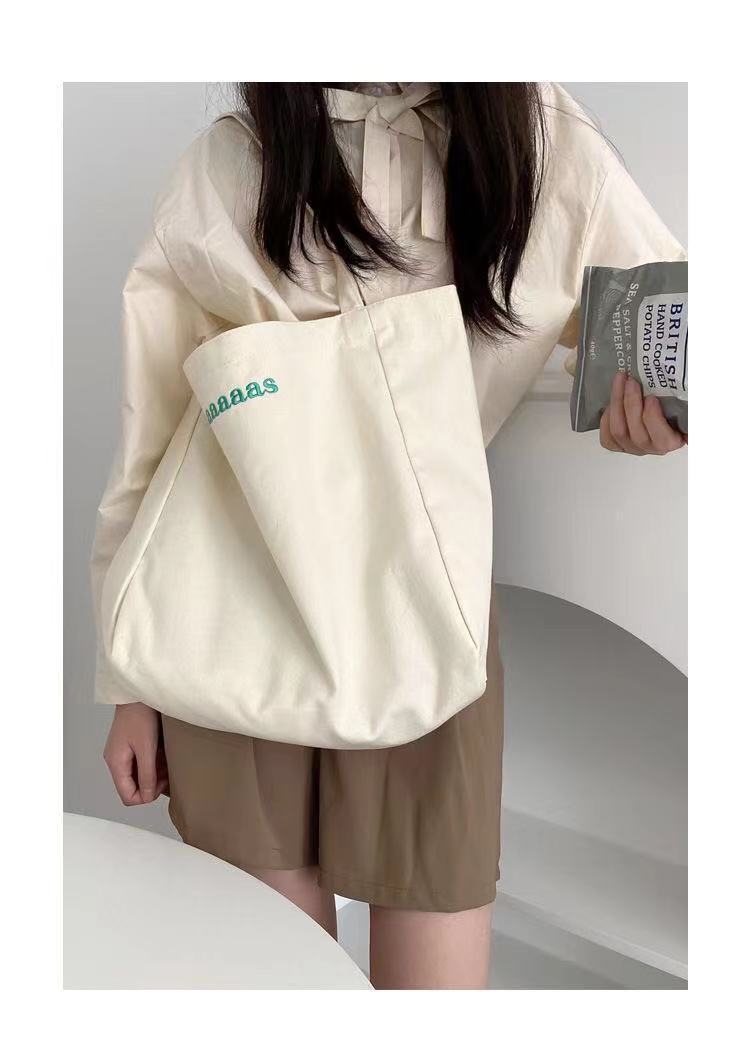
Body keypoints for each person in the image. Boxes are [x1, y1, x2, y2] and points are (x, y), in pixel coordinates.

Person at [91, 83, 686, 990]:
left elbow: (668, 315)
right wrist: (129, 681)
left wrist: (657, 404)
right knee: (282, 990)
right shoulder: (228, 164)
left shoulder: (545, 147)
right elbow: (152, 428)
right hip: (231, 598)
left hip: (427, 594)